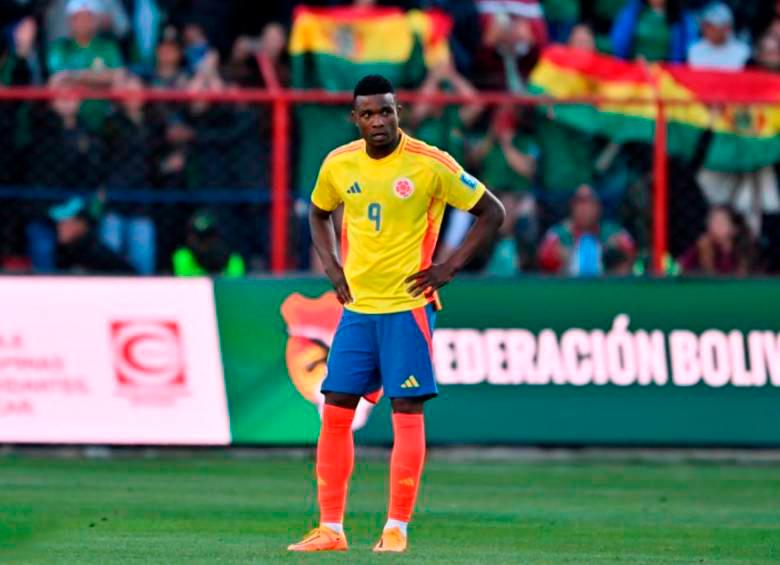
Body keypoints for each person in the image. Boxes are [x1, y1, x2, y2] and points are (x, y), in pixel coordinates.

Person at [287, 75, 505, 554]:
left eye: (386, 111)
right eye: (368, 114)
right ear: (355, 119)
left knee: (406, 414)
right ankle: (331, 529)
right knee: (336, 413)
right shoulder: (339, 164)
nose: (378, 121)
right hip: (358, 310)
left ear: (398, 112)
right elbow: (318, 211)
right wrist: (331, 264)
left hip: (408, 309)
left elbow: (492, 211)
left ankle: (396, 529)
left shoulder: (431, 164)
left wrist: (449, 267)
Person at [538, 184, 635, 276]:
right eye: (579, 204)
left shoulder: (613, 231)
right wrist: (561, 255)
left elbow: (630, 253)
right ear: (572, 207)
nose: (584, 209)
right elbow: (543, 257)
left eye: (589, 204)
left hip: (606, 287)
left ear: (598, 207)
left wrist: (612, 253)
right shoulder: (558, 233)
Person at [48, 197, 136, 274]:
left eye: (64, 223)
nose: (59, 227)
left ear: (81, 225)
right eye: (58, 223)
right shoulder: (64, 251)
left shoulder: (97, 255)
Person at [610, 0, 697, 63]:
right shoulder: (633, 11)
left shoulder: (682, 18)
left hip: (666, 71)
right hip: (634, 67)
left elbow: (688, 48)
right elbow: (619, 42)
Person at [680, 205, 755, 275]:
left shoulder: (743, 250)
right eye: (711, 222)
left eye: (720, 222)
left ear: (734, 229)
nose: (713, 226)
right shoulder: (702, 248)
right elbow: (676, 269)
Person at [172, 209, 245, 277]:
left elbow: (234, 284)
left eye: (208, 236)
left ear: (216, 237)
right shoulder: (183, 256)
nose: (204, 241)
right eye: (199, 237)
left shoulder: (232, 259)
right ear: (190, 237)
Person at [688, 2, 750, 70]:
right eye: (705, 25)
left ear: (727, 28)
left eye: (711, 26)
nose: (706, 30)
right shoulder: (694, 50)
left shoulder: (743, 52)